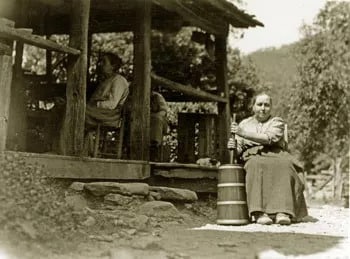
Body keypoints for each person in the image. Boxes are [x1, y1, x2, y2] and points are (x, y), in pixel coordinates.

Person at [228, 92, 308, 225]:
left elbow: (269, 138)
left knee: (285, 165)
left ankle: (283, 212)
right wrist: (233, 146)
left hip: (276, 153)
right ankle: (259, 212)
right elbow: (239, 150)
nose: (263, 108)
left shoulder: (276, 122)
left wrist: (243, 134)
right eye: (259, 104)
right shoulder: (244, 123)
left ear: (271, 108)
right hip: (253, 155)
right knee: (256, 164)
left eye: (266, 105)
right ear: (253, 107)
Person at [84, 52, 129, 156]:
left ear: (113, 66)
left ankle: (84, 150)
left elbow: (112, 104)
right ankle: (84, 149)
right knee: (72, 109)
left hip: (111, 115)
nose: (101, 65)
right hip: (99, 112)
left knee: (79, 111)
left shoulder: (119, 80)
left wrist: (96, 103)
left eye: (104, 62)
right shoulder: (105, 80)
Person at [150, 90, 168, 161]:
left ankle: (154, 148)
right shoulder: (134, 94)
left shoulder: (157, 96)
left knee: (157, 120)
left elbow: (163, 111)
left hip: (155, 120)